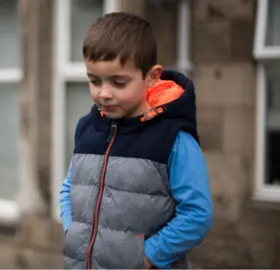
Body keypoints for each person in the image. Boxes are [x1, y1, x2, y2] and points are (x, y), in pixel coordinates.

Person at [59, 12, 213, 269]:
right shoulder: (87, 129)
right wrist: (71, 231)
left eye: (119, 82)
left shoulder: (174, 138)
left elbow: (198, 215)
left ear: (151, 77)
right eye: (94, 81)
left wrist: (147, 255)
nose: (104, 94)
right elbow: (69, 189)